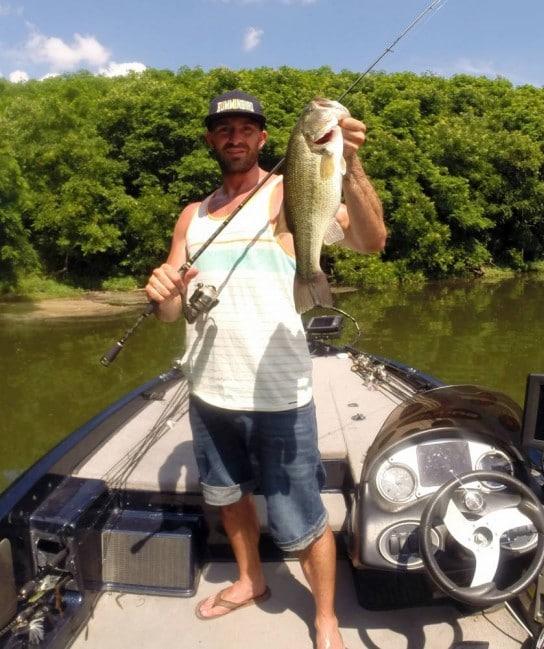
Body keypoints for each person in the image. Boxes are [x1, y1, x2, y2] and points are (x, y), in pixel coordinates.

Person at [145, 89, 385, 649]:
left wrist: (349, 162)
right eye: (223, 128)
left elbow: (372, 241)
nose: (235, 136)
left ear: (264, 139)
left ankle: (325, 616)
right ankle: (251, 579)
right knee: (227, 497)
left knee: (300, 512)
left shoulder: (288, 190)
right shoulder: (191, 215)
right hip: (207, 389)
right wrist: (161, 291)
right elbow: (171, 311)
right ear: (210, 139)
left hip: (281, 391)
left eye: (246, 128)